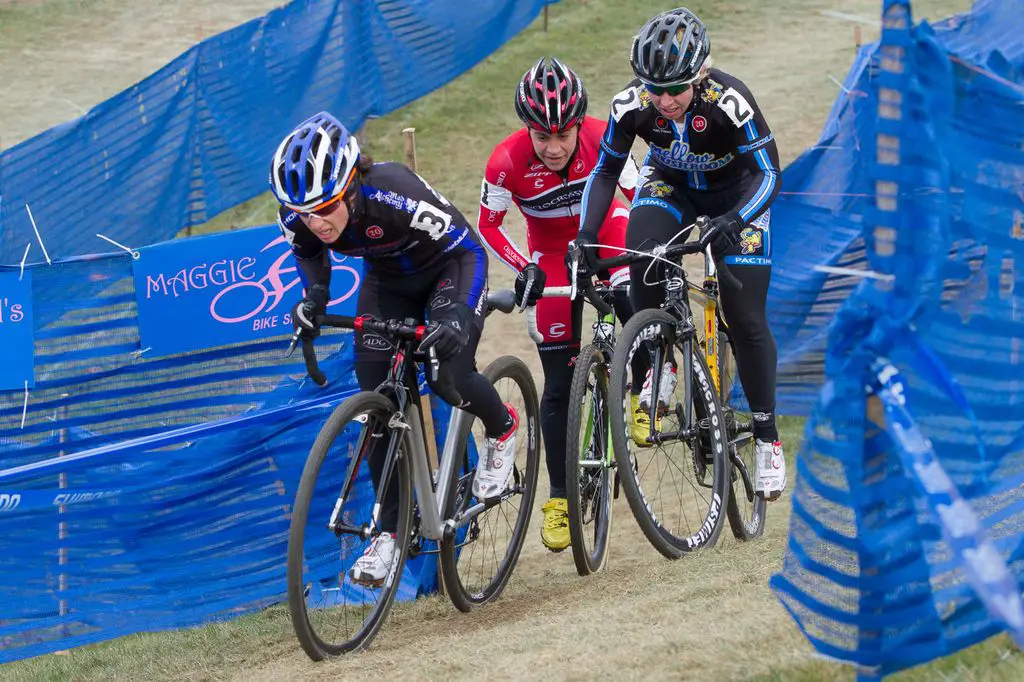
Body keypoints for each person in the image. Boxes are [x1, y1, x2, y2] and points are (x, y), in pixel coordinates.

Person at [271, 111, 519, 585]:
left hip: (451, 267)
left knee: (448, 376)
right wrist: (315, 300)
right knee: (379, 399)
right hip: (390, 282)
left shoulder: (393, 191)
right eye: (305, 213)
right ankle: (389, 532)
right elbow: (308, 254)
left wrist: (457, 315)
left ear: (349, 188)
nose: (316, 221)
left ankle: (502, 428)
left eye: (326, 208)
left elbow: (468, 249)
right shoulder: (299, 215)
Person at [575, 7, 786, 501]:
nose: (664, 100)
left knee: (746, 317)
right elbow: (606, 171)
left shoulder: (729, 101)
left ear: (700, 75)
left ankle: (767, 437)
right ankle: (663, 361)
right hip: (671, 187)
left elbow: (770, 173)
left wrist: (735, 220)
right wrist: (586, 233)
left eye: (676, 89)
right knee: (641, 253)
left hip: (738, 197)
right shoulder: (631, 105)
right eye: (655, 89)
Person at [478, 57, 639, 552]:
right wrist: (524, 266)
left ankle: (644, 376)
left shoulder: (604, 137)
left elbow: (640, 201)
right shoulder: (505, 161)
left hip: (607, 231)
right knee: (559, 383)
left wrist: (637, 260)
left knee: (630, 289)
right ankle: (561, 496)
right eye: (540, 136)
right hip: (549, 252)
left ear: (578, 124)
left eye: (562, 135)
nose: (551, 147)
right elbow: (488, 225)